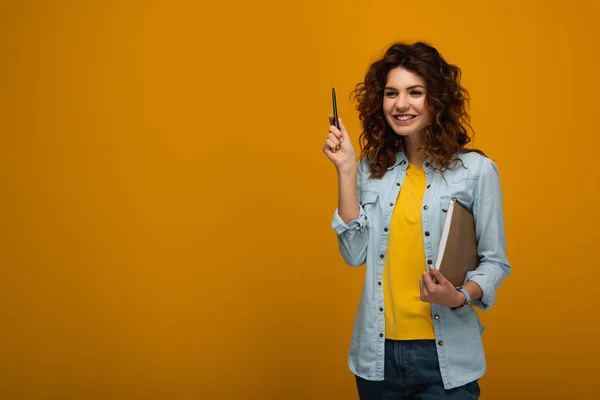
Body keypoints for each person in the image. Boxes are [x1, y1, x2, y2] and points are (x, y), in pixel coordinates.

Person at [322, 41, 511, 399]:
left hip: (445, 357)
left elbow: (495, 261)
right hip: (377, 355)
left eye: (415, 92)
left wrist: (457, 296)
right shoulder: (370, 170)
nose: (401, 104)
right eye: (391, 93)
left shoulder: (476, 172)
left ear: (437, 100)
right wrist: (346, 169)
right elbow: (354, 253)